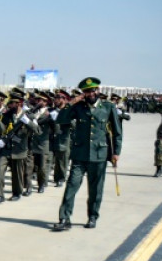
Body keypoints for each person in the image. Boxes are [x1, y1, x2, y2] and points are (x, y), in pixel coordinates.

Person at [51, 77, 122, 231]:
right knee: (71, 186)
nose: (90, 94)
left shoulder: (108, 107)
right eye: (86, 91)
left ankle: (92, 216)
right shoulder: (78, 107)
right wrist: (70, 103)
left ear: (98, 91)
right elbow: (61, 120)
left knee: (95, 189)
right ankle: (64, 218)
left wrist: (116, 153)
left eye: (92, 90)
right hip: (79, 154)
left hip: (99, 154)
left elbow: (117, 132)